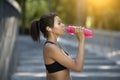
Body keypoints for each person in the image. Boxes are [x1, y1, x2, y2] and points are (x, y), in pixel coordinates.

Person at [30, 13, 85, 80]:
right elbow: (78, 67)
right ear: (49, 28)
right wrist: (81, 41)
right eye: (59, 23)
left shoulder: (56, 45)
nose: (63, 25)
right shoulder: (50, 48)